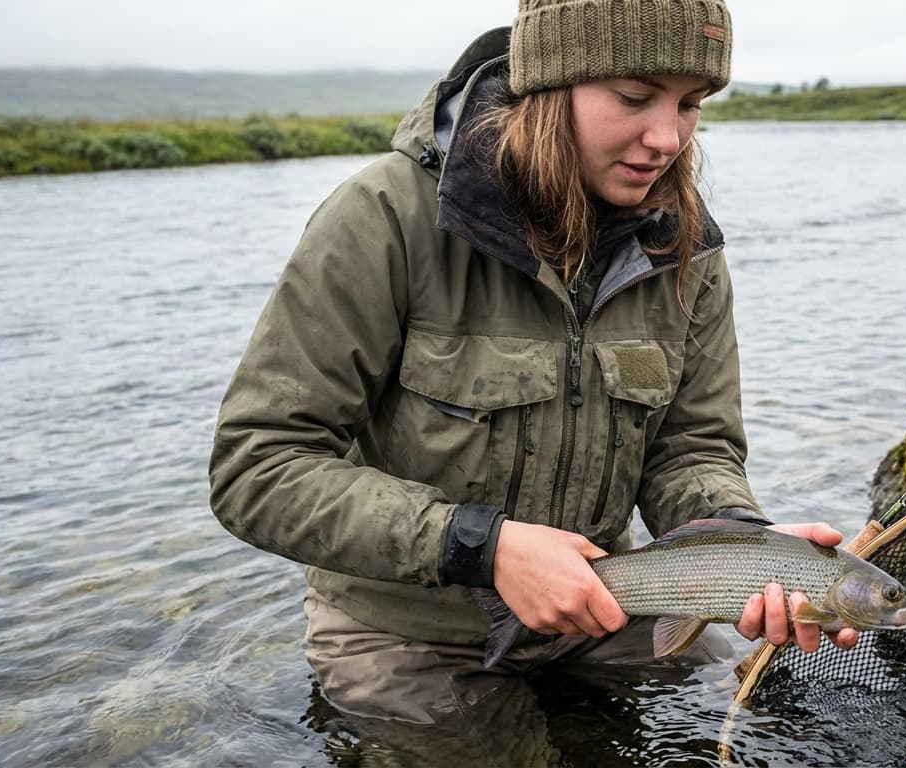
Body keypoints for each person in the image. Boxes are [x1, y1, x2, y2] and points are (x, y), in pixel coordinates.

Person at [208, 0, 858, 743]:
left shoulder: (685, 248)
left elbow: (692, 448)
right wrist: (478, 546)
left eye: (691, 104)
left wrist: (738, 542)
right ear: (549, 87)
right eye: (635, 97)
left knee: (745, 729)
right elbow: (255, 467)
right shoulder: (383, 217)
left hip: (606, 610)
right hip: (408, 636)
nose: (668, 138)